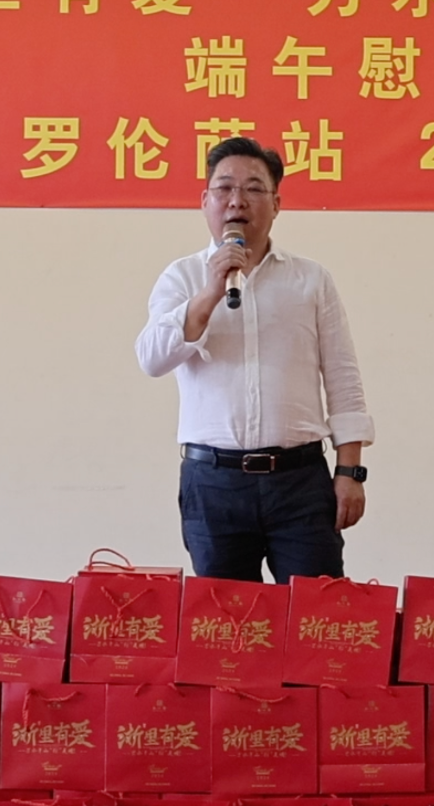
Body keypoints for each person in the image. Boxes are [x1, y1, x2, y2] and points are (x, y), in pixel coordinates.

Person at [135, 136, 374, 584]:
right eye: (224, 188)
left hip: (300, 481)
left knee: (315, 615)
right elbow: (152, 358)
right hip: (213, 483)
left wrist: (350, 471)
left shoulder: (311, 280)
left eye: (253, 188)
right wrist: (210, 291)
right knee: (225, 620)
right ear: (205, 201)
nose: (236, 200)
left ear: (276, 204)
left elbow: (343, 377)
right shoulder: (182, 277)